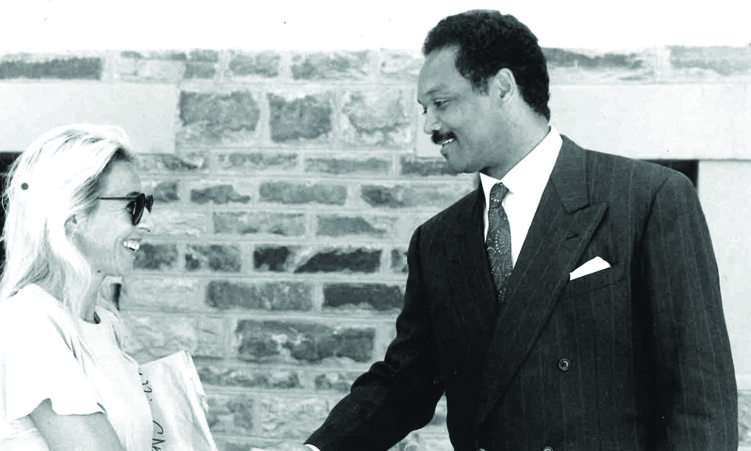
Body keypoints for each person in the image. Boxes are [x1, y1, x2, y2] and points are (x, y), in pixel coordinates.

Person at [302, 9, 738, 451]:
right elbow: (404, 384)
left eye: (442, 103)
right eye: (424, 109)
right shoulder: (437, 241)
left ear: (503, 88)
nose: (429, 125)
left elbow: (699, 395)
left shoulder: (647, 198)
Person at [0, 124, 155, 450]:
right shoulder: (27, 323)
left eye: (147, 205)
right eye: (133, 206)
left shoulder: (105, 324)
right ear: (74, 215)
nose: (148, 223)